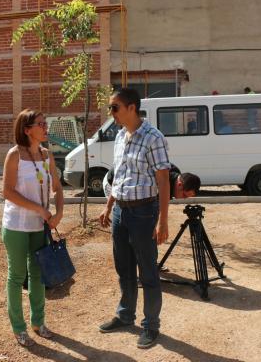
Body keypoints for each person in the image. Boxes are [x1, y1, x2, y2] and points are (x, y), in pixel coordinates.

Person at [98, 87, 171, 349]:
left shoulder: (153, 137)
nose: (111, 113)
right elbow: (119, 176)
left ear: (131, 107)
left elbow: (163, 180)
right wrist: (109, 207)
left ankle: (151, 326)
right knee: (124, 269)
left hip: (144, 213)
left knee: (148, 273)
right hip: (121, 212)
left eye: (114, 107)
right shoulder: (120, 136)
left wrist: (162, 219)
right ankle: (125, 315)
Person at [1, 109, 64, 347]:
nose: (45, 127)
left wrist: (59, 213)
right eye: (41, 124)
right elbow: (7, 192)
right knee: (17, 276)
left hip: (40, 226)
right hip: (16, 225)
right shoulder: (14, 155)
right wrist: (40, 210)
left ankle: (38, 322)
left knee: (38, 275)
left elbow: (57, 187)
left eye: (45, 122)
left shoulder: (47, 155)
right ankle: (19, 328)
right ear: (27, 130)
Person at [104, 164, 200, 200]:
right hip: (113, 179)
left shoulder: (175, 175)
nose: (184, 199)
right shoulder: (158, 181)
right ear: (179, 185)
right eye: (184, 195)